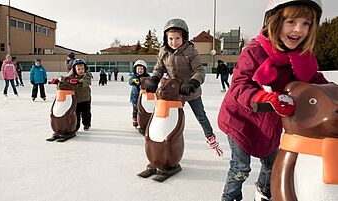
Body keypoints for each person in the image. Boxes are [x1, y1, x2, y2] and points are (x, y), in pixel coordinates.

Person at [217, 1, 329, 200]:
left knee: (272, 164)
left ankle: (264, 192)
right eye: (291, 21)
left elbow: (315, 81)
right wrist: (264, 97)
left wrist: (332, 93)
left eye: (306, 23)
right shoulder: (254, 52)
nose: (298, 29)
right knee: (241, 167)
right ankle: (230, 197)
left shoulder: (303, 58)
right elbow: (239, 87)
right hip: (240, 120)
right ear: (274, 21)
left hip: (269, 124)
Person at [145, 18, 223, 156]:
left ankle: (211, 138)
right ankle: (164, 141)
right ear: (166, 38)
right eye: (170, 39)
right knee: (166, 115)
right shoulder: (163, 52)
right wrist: (154, 79)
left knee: (201, 116)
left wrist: (192, 83)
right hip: (173, 91)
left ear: (184, 38)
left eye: (177, 38)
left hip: (191, 91)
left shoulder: (191, 52)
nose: (174, 42)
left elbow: (199, 71)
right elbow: (159, 68)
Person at [70, 59, 92, 131]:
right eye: (78, 69)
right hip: (76, 100)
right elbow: (66, 81)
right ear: (74, 69)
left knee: (86, 113)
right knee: (76, 114)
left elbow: (86, 82)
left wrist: (78, 82)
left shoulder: (86, 75)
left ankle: (86, 124)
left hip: (85, 99)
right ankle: (76, 126)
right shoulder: (72, 77)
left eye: (82, 69)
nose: (81, 71)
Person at [129, 60, 150, 128]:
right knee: (135, 109)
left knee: (143, 108)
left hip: (144, 96)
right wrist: (134, 81)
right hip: (135, 96)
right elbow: (130, 81)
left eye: (141, 69)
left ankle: (143, 120)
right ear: (135, 69)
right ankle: (135, 119)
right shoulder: (134, 76)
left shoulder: (147, 76)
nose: (140, 70)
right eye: (138, 69)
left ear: (144, 70)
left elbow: (150, 82)